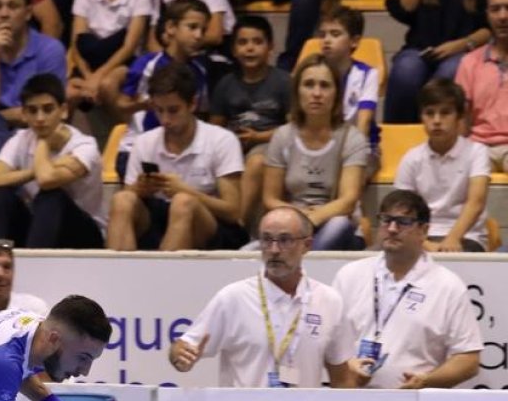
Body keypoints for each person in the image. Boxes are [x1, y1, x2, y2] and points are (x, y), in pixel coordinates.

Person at [170, 207, 366, 388]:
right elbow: (183, 348)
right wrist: (180, 356)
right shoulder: (233, 298)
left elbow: (341, 377)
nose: (273, 250)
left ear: (306, 245)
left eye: (285, 240)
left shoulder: (329, 301)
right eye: (266, 239)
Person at [331, 190, 483, 389]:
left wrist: (427, 381)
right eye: (386, 220)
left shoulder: (448, 286)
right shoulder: (350, 275)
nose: (392, 228)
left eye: (403, 222)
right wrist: (347, 365)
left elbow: (468, 359)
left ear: (424, 230)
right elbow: (327, 339)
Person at [108, 63, 246, 251]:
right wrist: (139, 189)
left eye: (173, 110)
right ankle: (117, 275)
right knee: (122, 199)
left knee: (183, 202)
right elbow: (129, 196)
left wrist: (186, 191)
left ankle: (165, 277)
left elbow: (232, 211)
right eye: (159, 110)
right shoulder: (144, 142)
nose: (165, 119)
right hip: (157, 217)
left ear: (192, 104)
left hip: (209, 224)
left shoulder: (222, 140)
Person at [0, 72, 105, 249]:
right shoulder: (20, 139)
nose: (40, 118)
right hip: (41, 224)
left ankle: (34, 263)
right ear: (24, 114)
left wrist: (43, 144)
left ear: (64, 110)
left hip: (84, 233)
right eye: (32, 110)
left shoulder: (84, 145)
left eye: (47, 109)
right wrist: (32, 172)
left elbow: (46, 181)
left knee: (52, 195)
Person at [262, 53, 367, 251]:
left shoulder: (352, 138)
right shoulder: (283, 136)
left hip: (337, 224)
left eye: (325, 86)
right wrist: (299, 219)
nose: (316, 93)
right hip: (292, 225)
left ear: (336, 93)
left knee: (339, 225)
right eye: (309, 85)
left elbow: (348, 201)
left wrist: (312, 219)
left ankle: (301, 262)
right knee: (246, 252)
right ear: (297, 91)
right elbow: (270, 198)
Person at [110, 0, 209, 179]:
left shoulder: (200, 71)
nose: (199, 36)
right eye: (192, 27)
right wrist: (144, 105)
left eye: (203, 30)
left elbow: (200, 114)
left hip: (180, 151)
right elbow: (121, 104)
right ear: (171, 28)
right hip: (137, 148)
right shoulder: (147, 64)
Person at [0, 0, 67, 162]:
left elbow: (44, 111)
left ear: (28, 13)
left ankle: (4, 177)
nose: (4, 14)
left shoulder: (50, 49)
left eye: (12, 6)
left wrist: (0, 116)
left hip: (36, 134)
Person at [208, 15, 290, 229]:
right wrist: (231, 142)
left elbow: (294, 129)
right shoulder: (225, 84)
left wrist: (257, 137)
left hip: (271, 146)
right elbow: (214, 129)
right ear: (234, 49)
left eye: (257, 42)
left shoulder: (283, 82)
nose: (250, 48)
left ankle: (238, 226)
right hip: (234, 145)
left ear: (270, 46)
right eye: (243, 43)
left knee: (256, 161)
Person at [393, 79, 490, 252]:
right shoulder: (411, 158)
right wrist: (423, 243)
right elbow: (401, 209)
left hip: (465, 236)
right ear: (421, 117)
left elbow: (476, 202)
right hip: (420, 237)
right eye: (429, 113)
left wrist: (452, 239)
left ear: (459, 117)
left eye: (445, 113)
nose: (436, 121)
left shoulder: (477, 152)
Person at [384, 0, 488, 123]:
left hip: (463, 48)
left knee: (449, 72)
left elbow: (489, 29)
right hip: (420, 48)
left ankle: (438, 130)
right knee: (406, 69)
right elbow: (404, 10)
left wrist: (460, 45)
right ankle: (397, 134)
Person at [316, 6, 381, 175]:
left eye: (335, 34)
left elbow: (364, 122)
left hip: (361, 146)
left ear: (354, 41)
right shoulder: (312, 72)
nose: (326, 40)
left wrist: (348, 153)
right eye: (322, 34)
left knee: (350, 171)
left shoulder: (368, 74)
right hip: (321, 142)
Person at [66, 0, 150, 111]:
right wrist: (88, 77)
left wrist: (98, 76)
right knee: (69, 93)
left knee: (107, 85)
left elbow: (129, 47)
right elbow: (76, 44)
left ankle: (124, 128)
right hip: (90, 60)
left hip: (123, 61)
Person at [455, 0, 508, 171]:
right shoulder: (469, 62)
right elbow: (461, 118)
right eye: (495, 9)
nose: (502, 16)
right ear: (486, 15)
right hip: (479, 147)